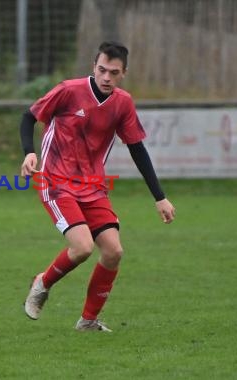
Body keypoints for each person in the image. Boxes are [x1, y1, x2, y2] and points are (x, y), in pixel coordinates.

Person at [20, 41, 175, 332]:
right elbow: (29, 116)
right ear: (94, 66)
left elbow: (137, 149)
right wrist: (29, 151)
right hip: (55, 181)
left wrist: (160, 197)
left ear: (123, 73)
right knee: (82, 247)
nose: (106, 77)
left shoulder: (122, 103)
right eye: (102, 70)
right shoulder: (68, 90)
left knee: (114, 251)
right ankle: (43, 283)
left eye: (113, 73)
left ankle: (88, 321)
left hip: (92, 186)